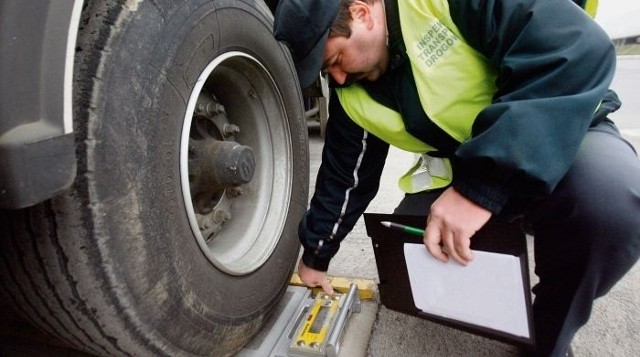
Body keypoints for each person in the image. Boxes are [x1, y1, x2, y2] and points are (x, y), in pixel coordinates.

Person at [273, 0, 640, 356]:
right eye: (327, 72)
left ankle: (546, 335)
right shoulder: (350, 94)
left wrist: (479, 192)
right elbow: (344, 178)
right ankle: (503, 269)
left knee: (609, 206)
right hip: (470, 173)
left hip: (564, 137)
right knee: (407, 253)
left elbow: (572, 50)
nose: (337, 78)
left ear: (361, 13)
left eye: (336, 59)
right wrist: (317, 255)